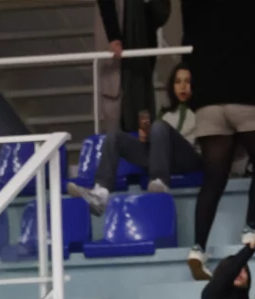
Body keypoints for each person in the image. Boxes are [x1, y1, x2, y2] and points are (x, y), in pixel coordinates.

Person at [180, 0, 255, 280]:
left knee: (213, 178)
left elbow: (189, 52)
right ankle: (250, 228)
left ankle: (198, 248)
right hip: (250, 98)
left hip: (210, 103)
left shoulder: (202, 10)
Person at [70, 63, 201, 215]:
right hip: (163, 158)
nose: (183, 86)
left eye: (188, 81)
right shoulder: (166, 114)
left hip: (187, 158)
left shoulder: (201, 111)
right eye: (178, 82)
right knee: (115, 136)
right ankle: (101, 193)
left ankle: (160, 182)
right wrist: (146, 139)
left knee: (159, 126)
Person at [95, 0, 171, 137]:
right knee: (113, 101)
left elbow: (161, 15)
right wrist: (113, 37)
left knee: (142, 104)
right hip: (116, 65)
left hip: (143, 64)